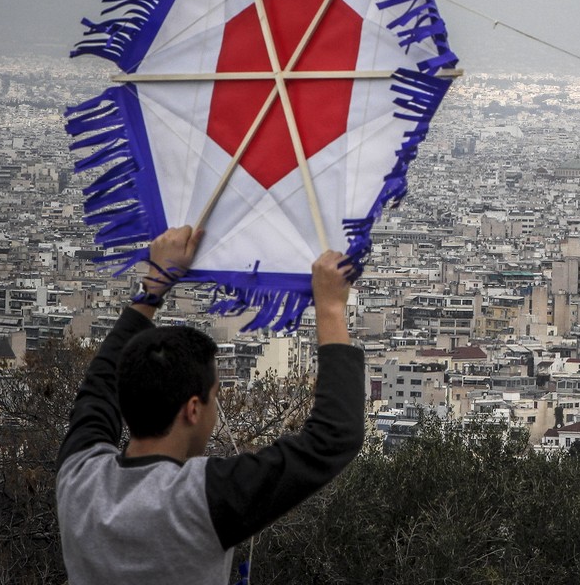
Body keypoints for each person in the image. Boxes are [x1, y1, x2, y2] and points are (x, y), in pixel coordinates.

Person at [56, 226, 365, 584]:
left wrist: (155, 285)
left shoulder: (79, 478)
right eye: (215, 395)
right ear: (192, 409)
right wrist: (329, 308)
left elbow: (100, 382)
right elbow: (333, 437)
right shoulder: (199, 500)